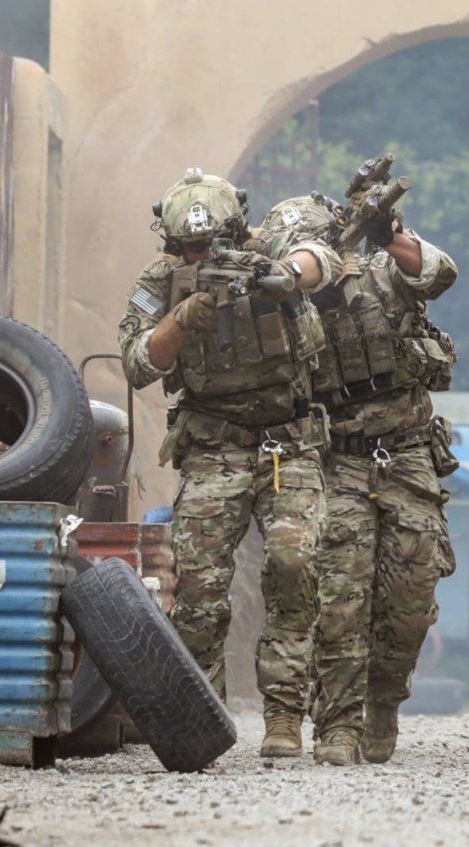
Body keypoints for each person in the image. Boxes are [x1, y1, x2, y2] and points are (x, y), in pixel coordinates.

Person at [117, 168, 339, 758]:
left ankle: (286, 718)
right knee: (199, 591)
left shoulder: (266, 250)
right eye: (192, 247)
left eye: (213, 243)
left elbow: (324, 253)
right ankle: (205, 717)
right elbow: (139, 363)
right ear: (171, 244)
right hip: (214, 446)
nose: (204, 254)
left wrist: (284, 275)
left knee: (294, 568)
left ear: (235, 230)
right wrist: (181, 318)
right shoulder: (159, 282)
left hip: (287, 444)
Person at [259, 187, 459, 767]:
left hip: (408, 453)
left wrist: (388, 235)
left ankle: (384, 704)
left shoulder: (382, 272)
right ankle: (338, 725)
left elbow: (439, 272)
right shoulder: (287, 299)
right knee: (341, 600)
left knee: (412, 601)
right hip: (338, 456)